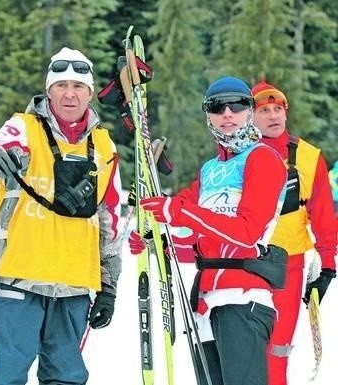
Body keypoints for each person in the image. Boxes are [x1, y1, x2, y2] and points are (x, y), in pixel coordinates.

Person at [0, 47, 123, 385]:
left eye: (78, 86)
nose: (69, 93)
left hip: (75, 284)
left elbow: (110, 224)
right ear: (48, 90)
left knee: (66, 376)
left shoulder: (105, 149)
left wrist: (108, 288)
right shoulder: (23, 129)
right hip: (20, 277)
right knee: (7, 372)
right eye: (61, 85)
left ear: (90, 93)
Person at [129, 76, 287, 385]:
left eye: (237, 105)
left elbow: (246, 233)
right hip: (204, 303)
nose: (227, 113)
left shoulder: (264, 159)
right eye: (217, 107)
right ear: (208, 114)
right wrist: (158, 242)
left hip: (244, 298)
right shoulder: (210, 169)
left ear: (250, 111)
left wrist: (179, 210)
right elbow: (196, 238)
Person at [251, 80, 338, 385]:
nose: (273, 115)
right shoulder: (239, 153)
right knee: (246, 347)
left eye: (278, 109)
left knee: (278, 346)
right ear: (251, 116)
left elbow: (324, 217)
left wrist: (327, 267)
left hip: (289, 263)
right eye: (264, 110)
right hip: (245, 261)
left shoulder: (309, 157)